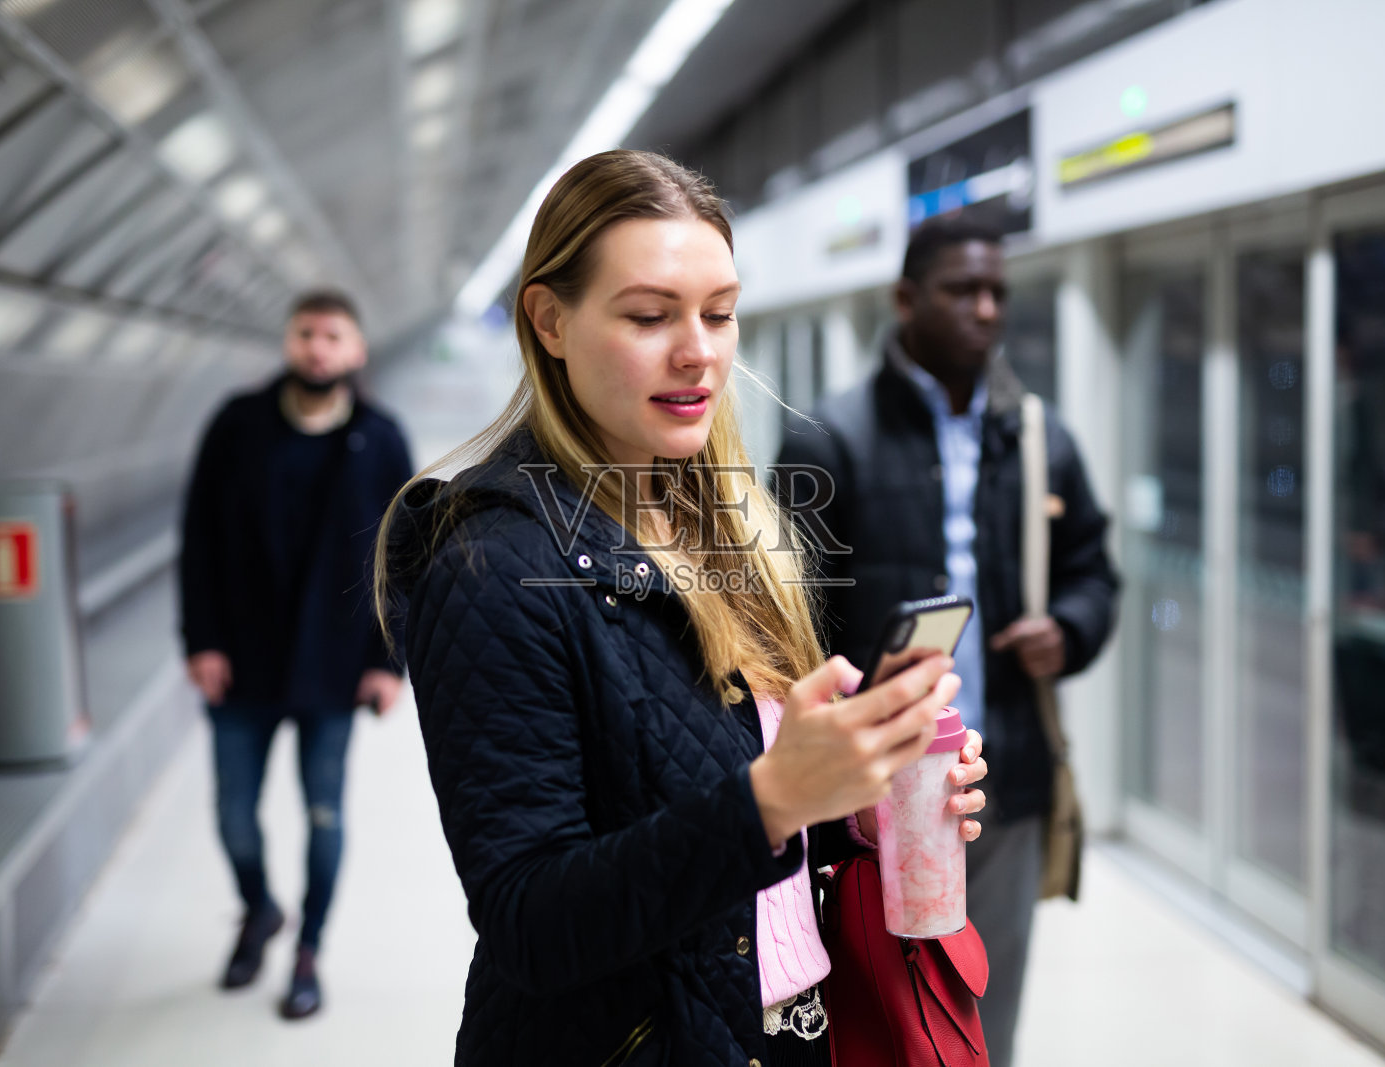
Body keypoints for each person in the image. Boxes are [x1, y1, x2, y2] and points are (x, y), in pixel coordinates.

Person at [376, 150, 992, 1066]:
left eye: (720, 313)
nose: (698, 349)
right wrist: (775, 798)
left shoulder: (724, 526)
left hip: (779, 1033)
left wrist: (853, 794)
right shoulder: (490, 561)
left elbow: (721, 792)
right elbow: (530, 921)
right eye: (649, 315)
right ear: (549, 320)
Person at [774, 216, 1120, 1067]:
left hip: (997, 771)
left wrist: (1068, 627)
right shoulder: (831, 436)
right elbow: (787, 623)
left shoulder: (1038, 437)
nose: (986, 308)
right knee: (882, 1010)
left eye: (998, 291)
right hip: (869, 789)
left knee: (980, 1014)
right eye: (963, 290)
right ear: (906, 300)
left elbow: (1094, 571)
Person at [179, 289, 413, 1020]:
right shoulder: (237, 425)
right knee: (234, 816)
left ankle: (309, 948)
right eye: (306, 333)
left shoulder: (380, 438)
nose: (318, 347)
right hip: (242, 661)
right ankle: (258, 909)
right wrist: (202, 640)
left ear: (356, 350)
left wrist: (388, 659)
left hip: (334, 666)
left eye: (333, 335)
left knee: (322, 815)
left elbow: (401, 555)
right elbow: (198, 539)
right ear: (288, 341)